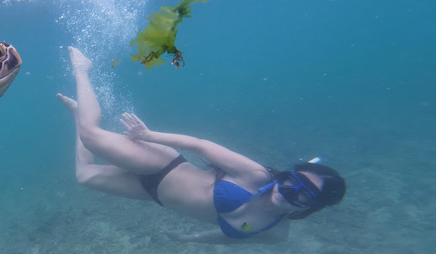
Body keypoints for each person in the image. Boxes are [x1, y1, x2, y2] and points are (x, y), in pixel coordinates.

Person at [57, 47, 346, 244]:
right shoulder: (257, 176)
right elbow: (200, 145)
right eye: (293, 181)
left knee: (84, 176)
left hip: (153, 194)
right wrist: (149, 136)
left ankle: (77, 113)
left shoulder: (276, 232)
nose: (289, 192)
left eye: (305, 195)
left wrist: (186, 239)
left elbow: (229, 238)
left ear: (315, 206)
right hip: (163, 164)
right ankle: (83, 70)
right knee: (92, 136)